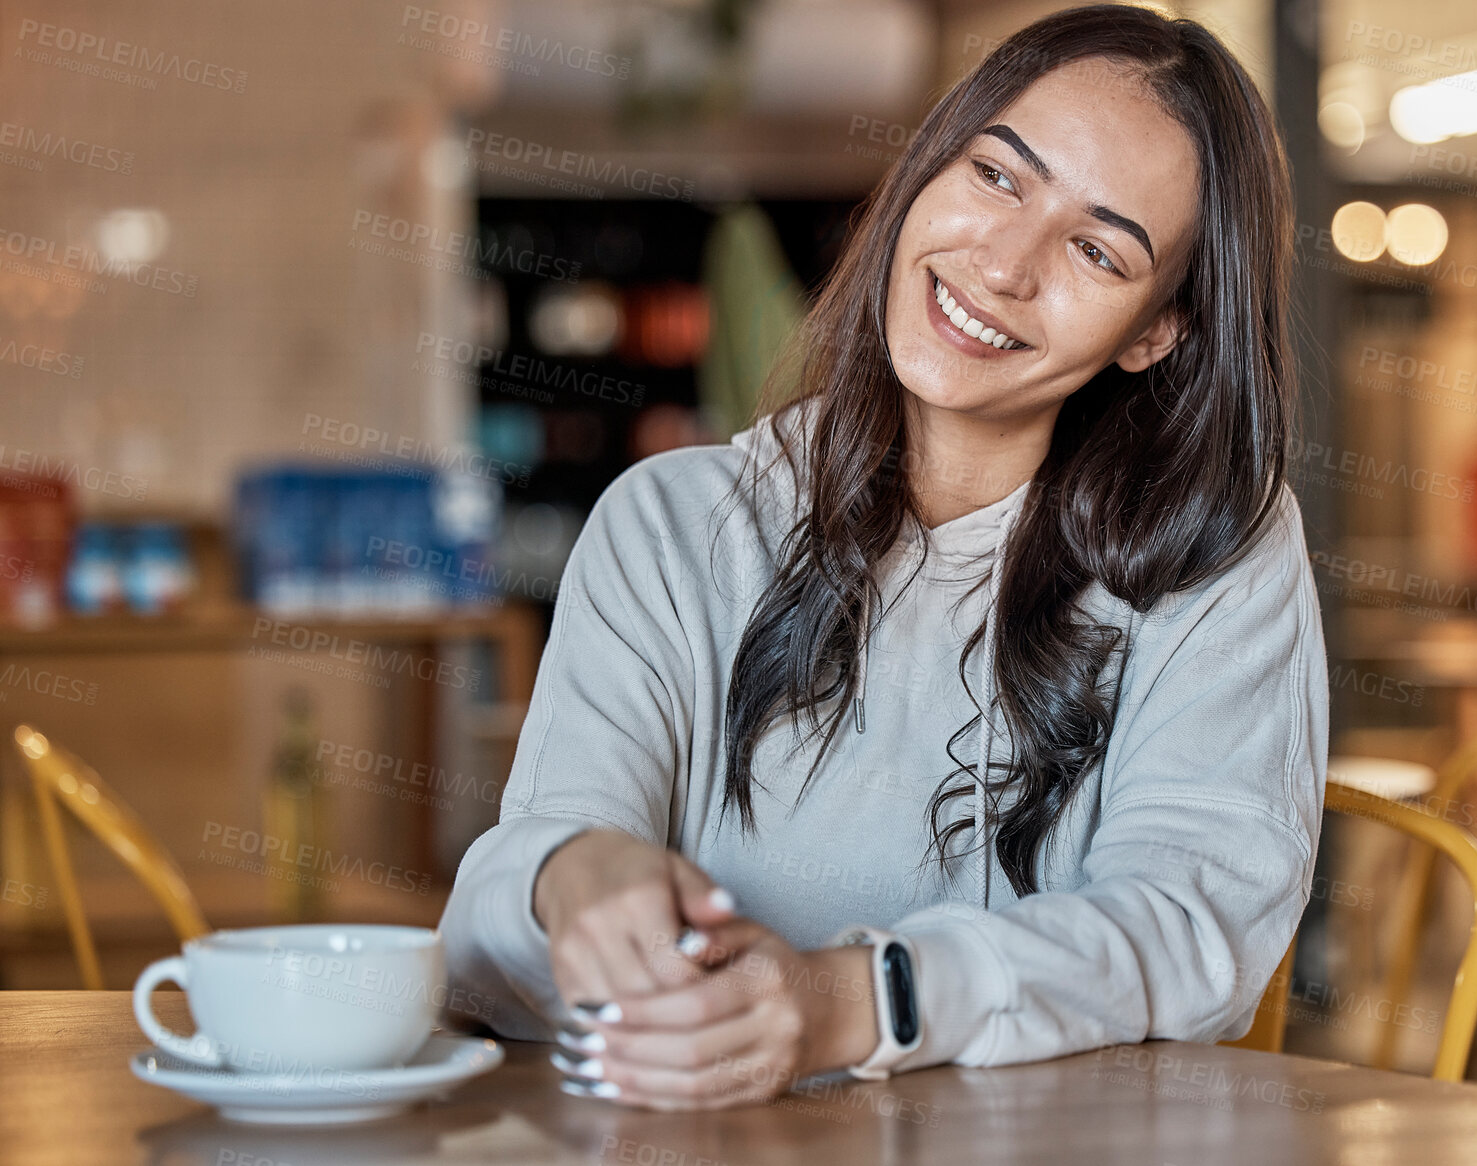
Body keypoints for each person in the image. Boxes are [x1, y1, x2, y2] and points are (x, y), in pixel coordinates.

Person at [439, 2, 1328, 1111]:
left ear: (1157, 329)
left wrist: (863, 997)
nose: (1003, 264)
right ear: (925, 170)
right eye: (997, 176)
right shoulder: (669, 523)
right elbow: (483, 941)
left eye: (1096, 249)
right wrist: (574, 876)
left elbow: (1198, 925)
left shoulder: (1211, 550)